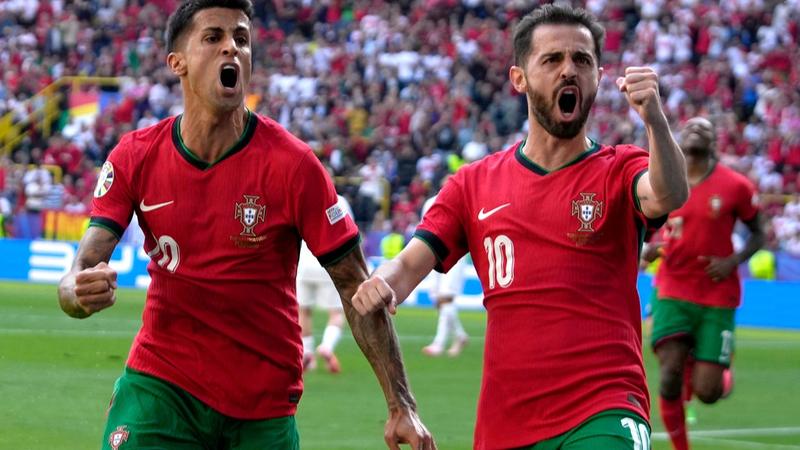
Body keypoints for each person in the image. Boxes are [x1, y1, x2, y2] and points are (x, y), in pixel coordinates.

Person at [56, 1, 435, 449]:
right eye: (213, 37)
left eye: (240, 38)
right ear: (177, 62)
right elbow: (79, 271)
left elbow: (357, 288)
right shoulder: (135, 156)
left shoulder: (294, 166)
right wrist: (75, 294)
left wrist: (401, 405)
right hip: (163, 387)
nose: (230, 49)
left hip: (262, 405)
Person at [352, 5, 689, 449]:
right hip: (505, 424)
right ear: (519, 79)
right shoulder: (473, 184)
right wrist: (383, 283)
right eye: (552, 60)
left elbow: (668, 194)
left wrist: (655, 121)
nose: (569, 70)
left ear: (599, 77)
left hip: (605, 410)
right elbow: (408, 266)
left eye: (581, 60)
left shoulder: (621, 168)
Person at [645, 117, 765, 450]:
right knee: (668, 373)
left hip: (717, 293)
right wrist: (647, 248)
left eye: (705, 129)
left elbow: (759, 232)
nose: (697, 132)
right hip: (672, 286)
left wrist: (733, 261)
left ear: (713, 142)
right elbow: (645, 221)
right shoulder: (663, 179)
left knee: (709, 393)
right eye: (690, 128)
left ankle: (709, 364)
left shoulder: (736, 186)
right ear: (679, 140)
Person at [297, 193, 353, 373]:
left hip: (304, 263)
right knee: (336, 312)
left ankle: (307, 353)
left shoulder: (302, 199)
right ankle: (327, 346)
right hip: (328, 263)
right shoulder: (339, 201)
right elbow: (348, 231)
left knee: (303, 310)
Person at [420, 182, 469, 357]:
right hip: (434, 253)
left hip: (455, 253)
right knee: (437, 299)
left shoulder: (461, 202)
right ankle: (460, 336)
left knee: (445, 298)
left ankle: (439, 344)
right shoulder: (429, 203)